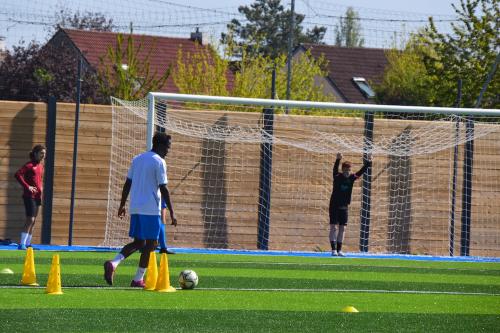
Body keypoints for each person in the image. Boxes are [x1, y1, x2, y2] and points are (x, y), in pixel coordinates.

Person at [104, 132, 177, 287]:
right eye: (167, 147)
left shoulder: (137, 159)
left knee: (139, 242)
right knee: (152, 244)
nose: (168, 151)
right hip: (150, 208)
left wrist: (122, 204)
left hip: (135, 206)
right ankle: (138, 279)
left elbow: (127, 183)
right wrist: (171, 211)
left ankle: (114, 263)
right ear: (160, 145)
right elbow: (163, 188)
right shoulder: (159, 161)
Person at [329, 152, 372, 257]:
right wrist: (338, 159)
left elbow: (361, 172)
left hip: (344, 206)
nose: (347, 172)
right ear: (342, 170)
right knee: (334, 227)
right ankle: (333, 249)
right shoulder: (337, 176)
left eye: (349, 170)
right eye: (345, 170)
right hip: (334, 205)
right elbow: (334, 169)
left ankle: (339, 250)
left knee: (343, 228)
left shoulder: (352, 178)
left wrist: (368, 162)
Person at [14, 145, 46, 250]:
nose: (43, 155)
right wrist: (27, 187)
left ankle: (28, 245)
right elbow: (18, 174)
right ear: (35, 153)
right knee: (30, 219)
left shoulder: (41, 166)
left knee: (34, 220)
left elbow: (39, 180)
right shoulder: (29, 165)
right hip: (29, 196)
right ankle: (21, 244)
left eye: (44, 153)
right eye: (41, 153)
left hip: (38, 197)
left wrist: (41, 189)